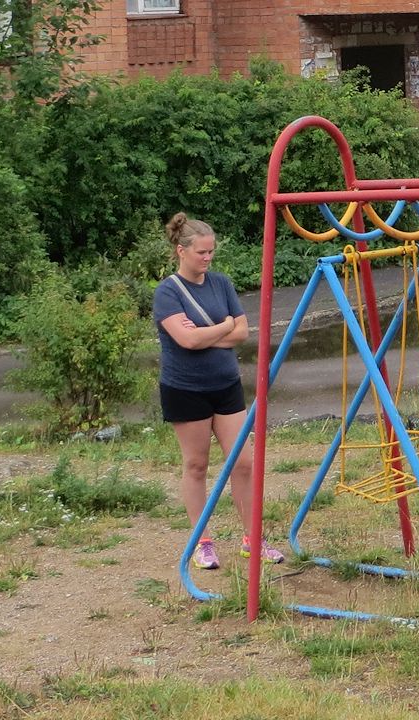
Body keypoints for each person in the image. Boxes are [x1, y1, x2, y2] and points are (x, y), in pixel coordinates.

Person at [153, 212, 283, 569]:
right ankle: (203, 542)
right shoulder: (167, 292)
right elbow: (187, 340)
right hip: (185, 389)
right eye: (202, 252)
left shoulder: (221, 284)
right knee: (196, 465)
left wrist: (209, 333)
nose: (208, 258)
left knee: (243, 462)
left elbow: (242, 332)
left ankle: (253, 539)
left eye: (211, 252)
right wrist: (222, 326)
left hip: (226, 385)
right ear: (181, 251)